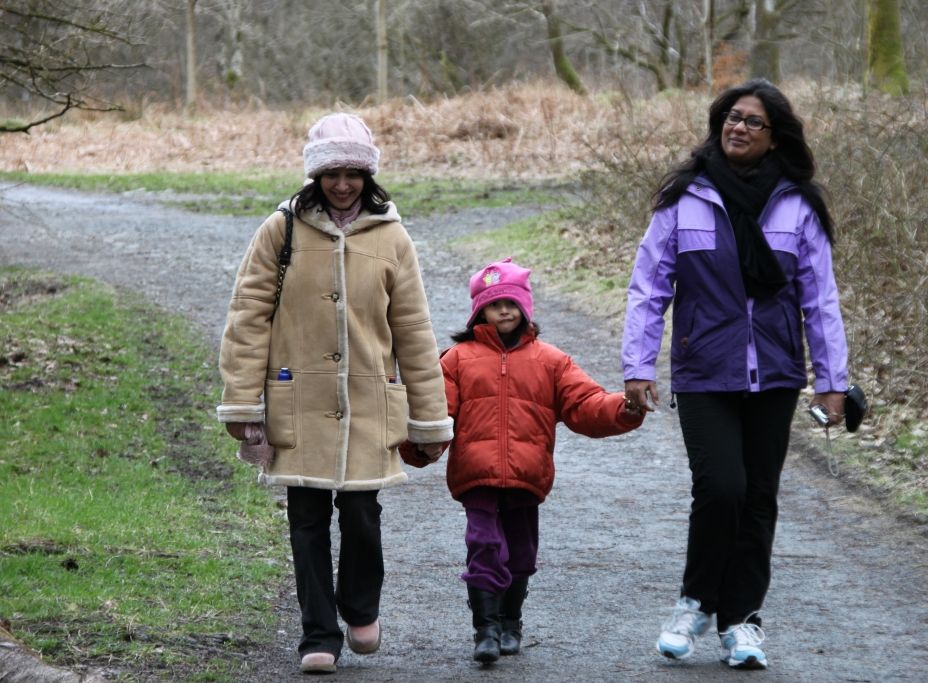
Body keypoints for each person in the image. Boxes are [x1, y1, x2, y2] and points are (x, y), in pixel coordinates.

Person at [621, 79, 848, 671]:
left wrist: (833, 380)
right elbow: (649, 288)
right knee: (721, 488)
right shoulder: (684, 198)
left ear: (775, 137)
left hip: (773, 372)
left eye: (752, 121)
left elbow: (819, 299)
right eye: (731, 118)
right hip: (703, 370)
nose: (738, 127)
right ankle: (694, 602)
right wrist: (638, 366)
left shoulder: (798, 205)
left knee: (759, 499)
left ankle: (741, 622)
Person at [217, 113, 453, 675]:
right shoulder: (282, 230)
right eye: (331, 174)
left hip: (369, 403)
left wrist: (430, 415)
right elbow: (248, 317)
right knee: (306, 520)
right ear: (313, 176)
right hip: (296, 401)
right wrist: (244, 403)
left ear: (367, 175)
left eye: (352, 173)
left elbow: (415, 331)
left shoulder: (392, 236)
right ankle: (318, 634)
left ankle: (360, 607)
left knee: (361, 514)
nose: (342, 184)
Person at [405, 257, 644, 664]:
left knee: (520, 552)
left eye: (511, 304)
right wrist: (418, 445)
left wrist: (624, 407)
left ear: (525, 308)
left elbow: (584, 402)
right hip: (476, 474)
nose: (504, 311)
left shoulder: (551, 361)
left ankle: (510, 621)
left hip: (526, 476)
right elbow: (436, 413)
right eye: (495, 304)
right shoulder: (457, 359)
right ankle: (486, 628)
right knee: (482, 543)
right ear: (479, 310)